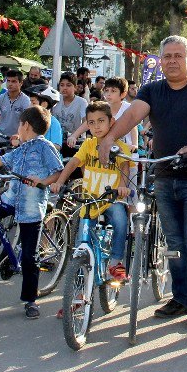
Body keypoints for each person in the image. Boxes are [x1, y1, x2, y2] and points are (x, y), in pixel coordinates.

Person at [97, 35, 187, 330]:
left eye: (178, 55)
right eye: (167, 56)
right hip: (164, 176)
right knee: (173, 244)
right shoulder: (152, 89)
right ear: (160, 60)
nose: (172, 61)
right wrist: (109, 137)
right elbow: (133, 115)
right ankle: (181, 297)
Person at [0, 106, 64, 319]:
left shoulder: (45, 147)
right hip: (11, 199)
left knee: (29, 256)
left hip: (31, 206)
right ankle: (2, 249)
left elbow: (58, 171)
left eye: (19, 124)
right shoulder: (21, 148)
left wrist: (43, 182)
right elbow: (0, 161)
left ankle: (30, 300)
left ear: (25, 125)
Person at [52, 102, 132, 281]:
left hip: (111, 198)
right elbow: (73, 163)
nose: (96, 126)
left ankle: (115, 262)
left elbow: (125, 168)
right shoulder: (88, 145)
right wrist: (59, 181)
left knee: (120, 220)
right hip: (89, 199)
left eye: (101, 121)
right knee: (83, 241)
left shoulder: (119, 146)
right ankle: (78, 291)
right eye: (91, 122)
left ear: (111, 122)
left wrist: (122, 186)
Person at [68, 77, 136, 150]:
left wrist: (134, 145)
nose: (109, 94)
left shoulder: (128, 108)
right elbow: (89, 122)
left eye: (113, 91)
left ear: (123, 94)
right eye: (107, 90)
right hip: (106, 149)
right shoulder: (102, 107)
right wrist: (74, 135)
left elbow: (133, 127)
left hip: (126, 151)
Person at [53, 72, 88, 159]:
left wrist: (74, 135)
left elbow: (86, 122)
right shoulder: (55, 99)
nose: (64, 88)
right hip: (55, 141)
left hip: (74, 143)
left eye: (68, 85)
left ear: (75, 87)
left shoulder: (82, 102)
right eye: (62, 85)